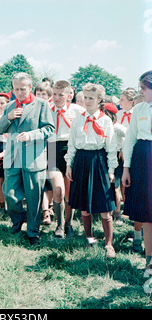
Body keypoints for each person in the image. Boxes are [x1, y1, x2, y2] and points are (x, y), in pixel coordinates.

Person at [0, 72, 54, 246]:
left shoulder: (42, 105)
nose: (19, 92)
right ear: (12, 89)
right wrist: (8, 117)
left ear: (30, 88)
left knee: (34, 197)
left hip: (33, 157)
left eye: (23, 88)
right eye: (16, 89)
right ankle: (17, 221)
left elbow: (50, 129)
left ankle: (33, 231)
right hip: (12, 157)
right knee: (10, 195)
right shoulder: (10, 106)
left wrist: (31, 135)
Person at [65, 83, 117, 258]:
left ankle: (109, 244)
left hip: (99, 160)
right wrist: (69, 164)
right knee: (84, 206)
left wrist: (111, 169)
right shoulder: (78, 120)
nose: (87, 101)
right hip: (81, 161)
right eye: (85, 97)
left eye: (91, 98)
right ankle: (89, 237)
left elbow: (111, 147)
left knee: (104, 206)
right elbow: (71, 144)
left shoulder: (105, 120)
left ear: (99, 100)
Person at [121, 70, 152, 275]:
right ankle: (149, 260)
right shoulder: (139, 109)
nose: (140, 92)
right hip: (143, 159)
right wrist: (126, 168)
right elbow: (130, 139)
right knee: (147, 213)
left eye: (143, 88)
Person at [48, 80, 84, 238]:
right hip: (52, 150)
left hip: (71, 150)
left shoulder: (78, 110)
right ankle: (59, 224)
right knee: (58, 189)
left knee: (69, 192)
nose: (56, 98)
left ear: (69, 95)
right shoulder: (47, 110)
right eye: (54, 94)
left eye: (60, 95)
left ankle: (68, 224)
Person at [33, 83, 54, 225]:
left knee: (49, 178)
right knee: (38, 179)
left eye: (44, 95)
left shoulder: (52, 109)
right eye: (38, 94)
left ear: (49, 97)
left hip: (52, 146)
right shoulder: (31, 109)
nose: (40, 97)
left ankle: (49, 207)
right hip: (37, 147)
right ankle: (42, 209)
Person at [104, 103, 127, 226]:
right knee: (106, 186)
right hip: (105, 156)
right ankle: (107, 211)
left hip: (117, 157)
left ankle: (118, 214)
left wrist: (123, 149)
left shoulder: (117, 127)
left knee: (115, 186)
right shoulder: (101, 125)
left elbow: (129, 135)